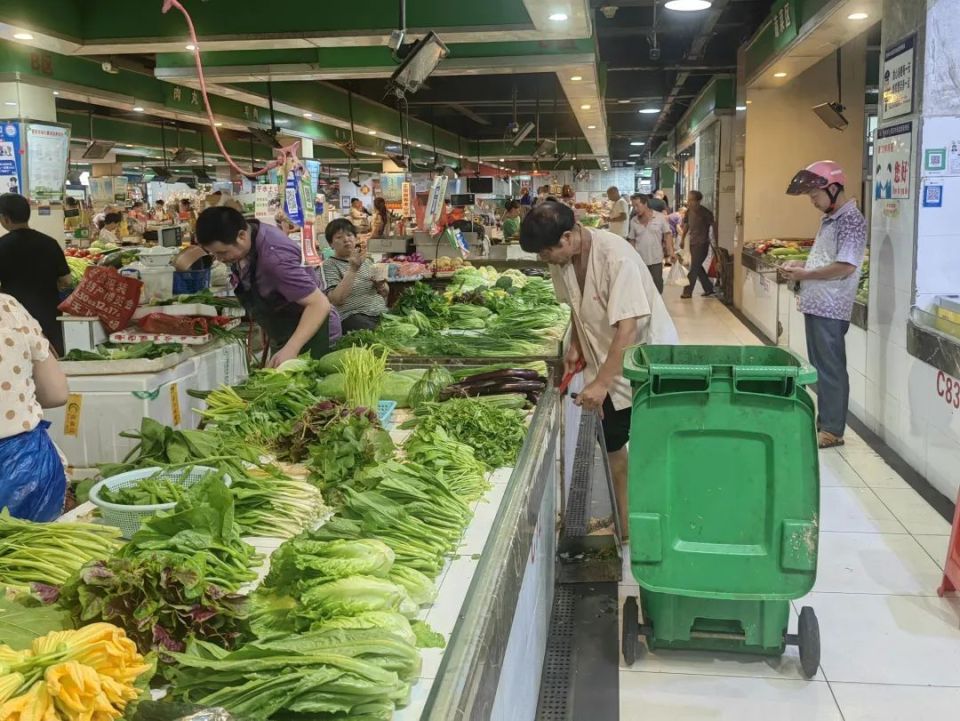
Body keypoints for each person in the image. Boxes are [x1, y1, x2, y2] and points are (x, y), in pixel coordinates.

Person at [520, 201, 677, 540]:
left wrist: (602, 382)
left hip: (642, 360)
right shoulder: (562, 260)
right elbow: (575, 308)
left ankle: (640, 523)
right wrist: (576, 344)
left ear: (568, 236)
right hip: (607, 356)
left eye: (547, 251)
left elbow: (628, 328)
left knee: (644, 443)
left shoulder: (615, 257)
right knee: (611, 442)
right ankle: (624, 523)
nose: (544, 259)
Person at [782, 161, 867, 449]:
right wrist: (801, 264)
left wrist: (806, 274)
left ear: (832, 188)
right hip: (817, 304)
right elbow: (828, 260)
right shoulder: (830, 220)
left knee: (830, 367)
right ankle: (824, 424)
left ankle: (832, 429)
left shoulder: (851, 220)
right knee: (820, 366)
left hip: (831, 307)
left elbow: (845, 266)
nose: (813, 203)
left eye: (815, 196)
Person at [196, 206, 337, 366]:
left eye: (222, 253)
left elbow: (319, 304)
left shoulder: (275, 259)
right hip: (284, 328)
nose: (219, 259)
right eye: (214, 254)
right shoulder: (251, 232)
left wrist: (292, 348)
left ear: (241, 236)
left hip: (311, 332)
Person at [0, 294, 70, 521]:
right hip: (27, 471)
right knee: (32, 554)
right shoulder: (7, 307)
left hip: (22, 467)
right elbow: (56, 393)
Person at [0, 194, 73, 356]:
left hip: (15, 320)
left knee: (20, 360)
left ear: (5, 218)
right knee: (51, 359)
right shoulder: (49, 243)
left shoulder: (2, 246)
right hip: (48, 316)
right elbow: (67, 280)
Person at [322, 218, 389, 333]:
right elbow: (336, 299)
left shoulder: (366, 261)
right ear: (331, 244)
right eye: (339, 237)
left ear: (355, 238)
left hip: (380, 312)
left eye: (349, 235)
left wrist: (381, 286)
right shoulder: (329, 265)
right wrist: (353, 270)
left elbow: (385, 293)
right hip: (353, 317)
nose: (346, 239)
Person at [627, 193, 675, 294]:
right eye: (633, 206)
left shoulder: (660, 217)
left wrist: (671, 252)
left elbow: (667, 234)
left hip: (656, 259)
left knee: (657, 284)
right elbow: (632, 240)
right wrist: (631, 258)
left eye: (637, 205)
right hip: (639, 260)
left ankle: (657, 307)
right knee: (642, 286)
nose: (635, 209)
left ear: (645, 204)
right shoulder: (633, 221)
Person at [680, 190, 717, 299]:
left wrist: (716, 242)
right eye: (689, 199)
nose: (689, 202)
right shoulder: (688, 212)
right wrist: (682, 239)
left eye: (692, 200)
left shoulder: (706, 213)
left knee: (694, 268)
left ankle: (687, 291)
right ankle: (709, 288)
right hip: (693, 243)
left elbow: (714, 227)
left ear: (698, 201)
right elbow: (686, 226)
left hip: (702, 244)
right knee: (697, 267)